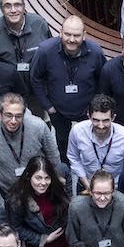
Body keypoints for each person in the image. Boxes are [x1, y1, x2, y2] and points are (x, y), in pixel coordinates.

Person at [31, 16, 106, 162]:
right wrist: (48, 106)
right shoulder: (45, 51)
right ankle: (66, 167)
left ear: (84, 35)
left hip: (87, 110)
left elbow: (103, 80)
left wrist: (95, 107)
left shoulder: (95, 52)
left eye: (76, 35)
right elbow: (35, 78)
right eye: (67, 34)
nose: (71, 39)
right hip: (57, 110)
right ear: (60, 32)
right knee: (62, 142)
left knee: (90, 143)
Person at [0, 93, 62, 197]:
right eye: (9, 115)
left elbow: (52, 154)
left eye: (18, 116)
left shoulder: (38, 126)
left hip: (39, 188)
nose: (13, 121)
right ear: (0, 114)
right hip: (8, 189)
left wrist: (55, 178)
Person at [0, 0, 52, 113]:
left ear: (24, 6)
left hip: (36, 90)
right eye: (8, 6)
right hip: (8, 92)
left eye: (17, 5)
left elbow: (51, 54)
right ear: (1, 9)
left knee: (37, 120)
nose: (13, 10)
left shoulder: (39, 24)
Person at [6, 155, 72, 247]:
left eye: (47, 178)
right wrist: (43, 239)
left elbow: (68, 204)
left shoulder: (56, 188)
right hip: (39, 246)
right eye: (38, 178)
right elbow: (16, 227)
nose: (43, 182)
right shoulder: (16, 199)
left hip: (62, 241)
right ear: (29, 176)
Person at [66, 94, 124, 189]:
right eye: (96, 120)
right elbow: (73, 157)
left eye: (105, 121)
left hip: (116, 187)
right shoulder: (77, 131)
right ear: (89, 116)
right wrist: (87, 184)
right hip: (86, 183)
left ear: (113, 118)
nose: (101, 126)